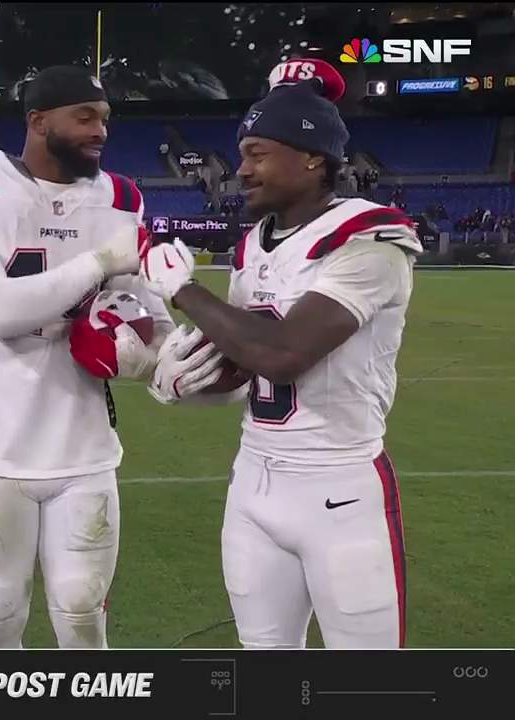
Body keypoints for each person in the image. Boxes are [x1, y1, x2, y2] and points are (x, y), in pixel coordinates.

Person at [141, 58, 420, 649]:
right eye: (242, 154)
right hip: (253, 484)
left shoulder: (372, 237)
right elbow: (246, 361)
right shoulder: (255, 242)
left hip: (339, 488)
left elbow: (286, 353)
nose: (240, 170)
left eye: (259, 154)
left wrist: (183, 290)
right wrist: (185, 374)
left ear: (313, 157)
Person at [0, 65, 173, 649]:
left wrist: (151, 356)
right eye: (84, 116)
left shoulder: (120, 199)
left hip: (83, 450)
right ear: (37, 121)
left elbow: (151, 320)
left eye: (105, 119)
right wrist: (94, 264)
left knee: (84, 618)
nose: (100, 131)